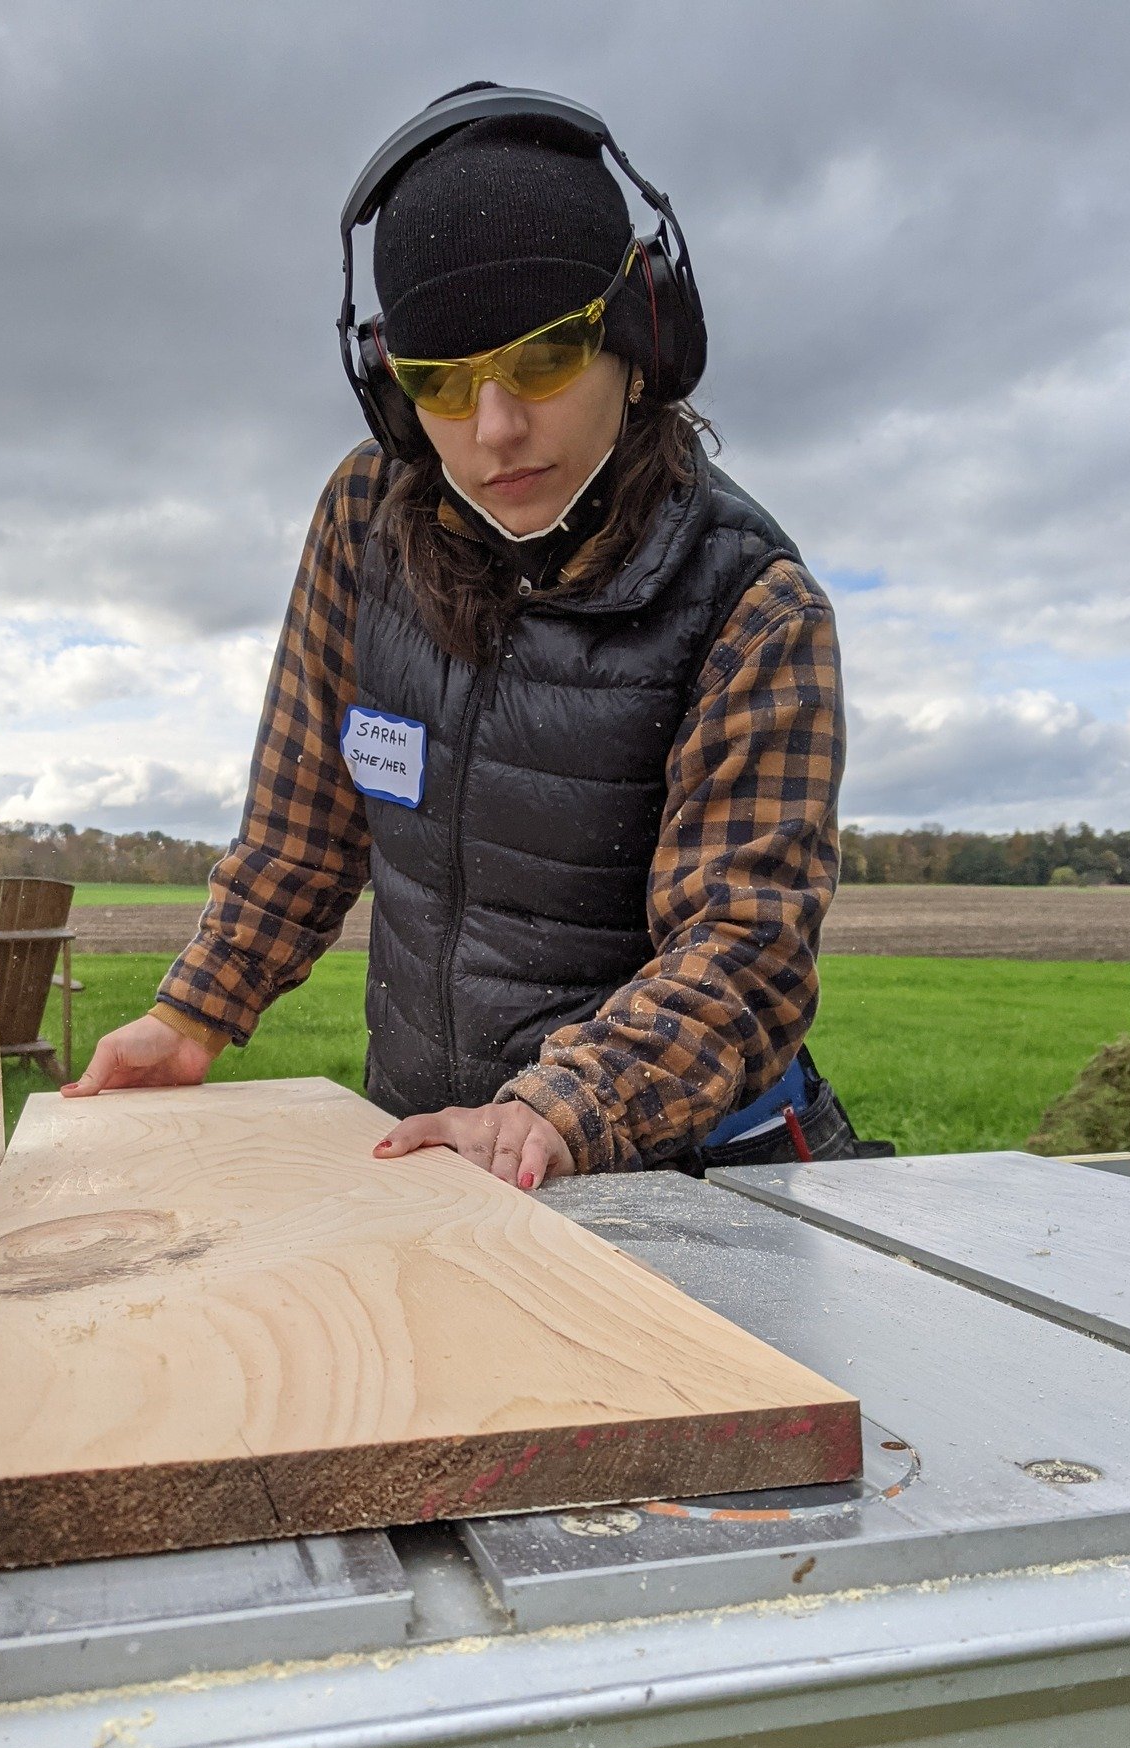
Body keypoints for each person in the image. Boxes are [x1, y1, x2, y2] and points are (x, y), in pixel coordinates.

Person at [65, 84, 846, 1193]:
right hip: (445, 1153)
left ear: (640, 338)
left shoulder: (755, 609)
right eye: (441, 382)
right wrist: (193, 1013)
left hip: (694, 1172)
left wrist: (551, 1111)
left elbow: (744, 953)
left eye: (541, 363)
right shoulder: (363, 519)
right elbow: (303, 825)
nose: (494, 430)